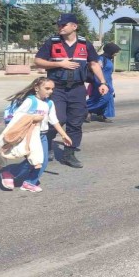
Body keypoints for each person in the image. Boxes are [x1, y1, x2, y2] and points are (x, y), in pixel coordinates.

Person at [34, 14, 108, 169]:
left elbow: (94, 64)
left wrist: (102, 82)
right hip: (57, 88)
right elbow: (38, 61)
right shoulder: (52, 42)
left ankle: (69, 154)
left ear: (74, 26)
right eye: (59, 25)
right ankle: (47, 146)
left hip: (77, 88)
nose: (60, 27)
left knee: (76, 122)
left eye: (63, 25)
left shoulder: (84, 43)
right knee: (56, 119)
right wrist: (60, 64)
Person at [0, 77, 73, 192]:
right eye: (47, 88)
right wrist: (33, 118)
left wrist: (63, 134)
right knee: (35, 159)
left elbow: (54, 120)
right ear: (37, 88)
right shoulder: (30, 101)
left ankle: (29, 182)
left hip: (43, 135)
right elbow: (18, 116)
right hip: (30, 135)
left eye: (52, 89)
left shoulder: (50, 103)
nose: (50, 91)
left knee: (43, 160)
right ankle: (9, 173)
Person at [86, 42, 120, 123]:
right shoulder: (101, 59)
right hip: (99, 82)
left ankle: (103, 115)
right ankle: (86, 109)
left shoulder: (109, 59)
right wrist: (100, 83)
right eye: (115, 52)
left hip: (108, 82)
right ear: (111, 51)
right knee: (102, 98)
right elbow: (96, 70)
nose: (116, 54)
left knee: (109, 99)